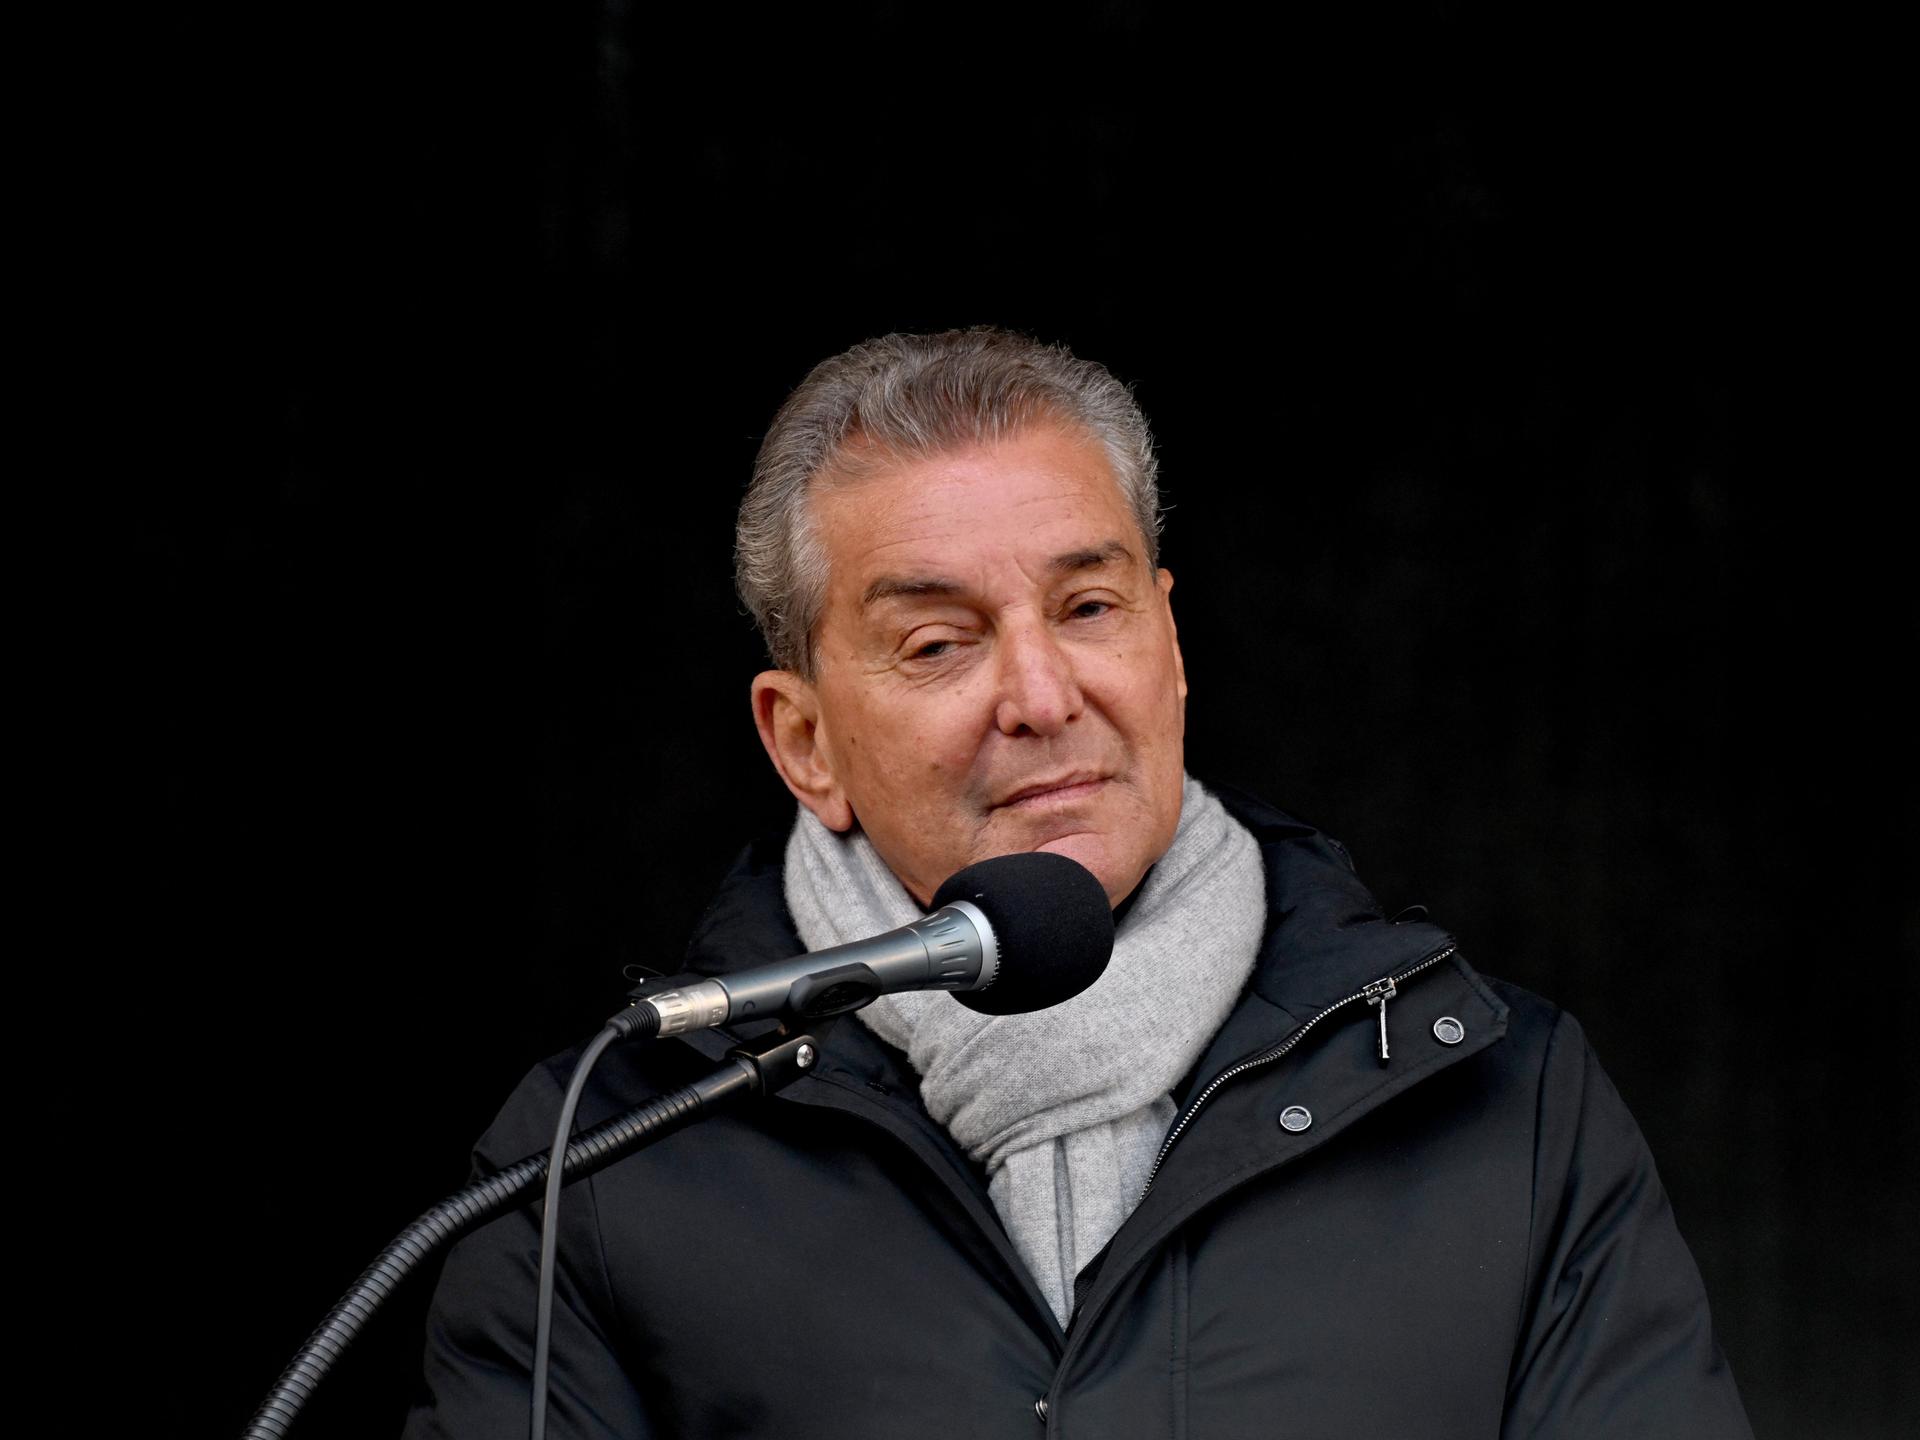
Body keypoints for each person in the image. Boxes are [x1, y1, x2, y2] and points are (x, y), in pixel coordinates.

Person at [404, 329, 1753, 1437]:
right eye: (939, 643)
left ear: (1172, 645)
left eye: (1089, 609)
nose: (1042, 696)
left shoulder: (1501, 1104)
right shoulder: (601, 1167)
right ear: (803, 741)